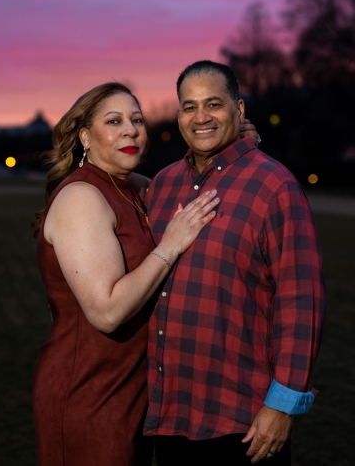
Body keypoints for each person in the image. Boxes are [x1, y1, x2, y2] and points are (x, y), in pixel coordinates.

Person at [143, 61, 326, 465]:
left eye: (213, 104)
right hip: (169, 413)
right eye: (189, 107)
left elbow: (302, 302)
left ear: (239, 110)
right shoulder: (162, 185)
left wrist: (282, 406)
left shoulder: (274, 185)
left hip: (242, 423)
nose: (200, 117)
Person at [31, 82, 223, 466]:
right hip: (89, 390)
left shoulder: (134, 188)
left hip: (134, 390)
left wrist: (227, 136)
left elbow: (190, 180)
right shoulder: (81, 198)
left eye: (137, 120)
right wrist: (169, 246)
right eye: (114, 121)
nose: (131, 130)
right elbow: (106, 312)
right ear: (85, 135)